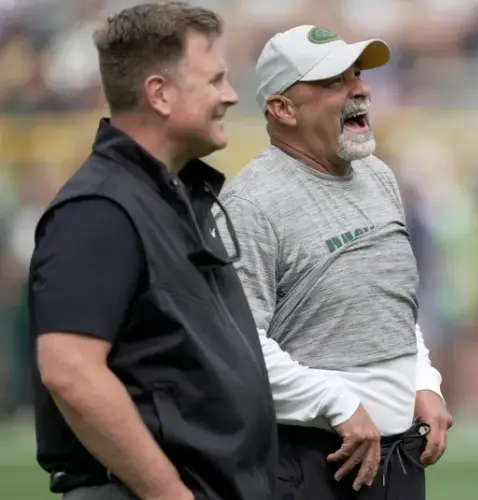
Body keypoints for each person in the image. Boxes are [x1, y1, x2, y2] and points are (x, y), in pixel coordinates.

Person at [28, 4, 277, 500]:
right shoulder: (99, 209)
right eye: (215, 80)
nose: (230, 96)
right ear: (159, 94)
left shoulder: (170, 198)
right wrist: (169, 493)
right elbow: (70, 369)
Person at [213, 25, 453, 500]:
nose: (360, 89)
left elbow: (388, 305)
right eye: (333, 82)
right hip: (308, 460)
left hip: (398, 456)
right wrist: (335, 404)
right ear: (283, 108)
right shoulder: (250, 203)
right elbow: (235, 339)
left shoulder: (378, 176)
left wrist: (423, 381)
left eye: (358, 75)